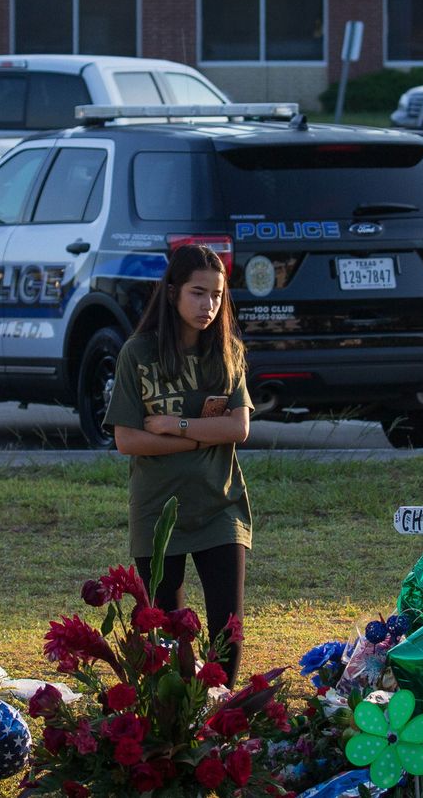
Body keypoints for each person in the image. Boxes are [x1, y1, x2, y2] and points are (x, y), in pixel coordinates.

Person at [103, 243, 252, 675]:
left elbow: (239, 429)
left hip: (220, 506)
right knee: (167, 633)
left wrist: (177, 427)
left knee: (228, 629)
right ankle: (179, 726)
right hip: (158, 511)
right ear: (172, 293)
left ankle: (222, 722)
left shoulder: (228, 353)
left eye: (217, 296)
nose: (209, 305)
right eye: (198, 293)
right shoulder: (139, 354)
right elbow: (128, 439)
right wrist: (205, 437)